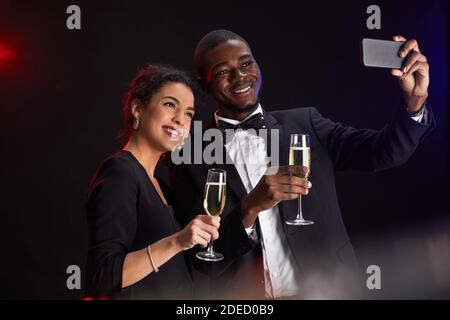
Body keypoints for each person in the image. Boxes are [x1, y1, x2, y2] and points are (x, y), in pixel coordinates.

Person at [169, 30, 435, 299]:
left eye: (246, 63)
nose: (240, 76)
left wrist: (414, 102)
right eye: (224, 71)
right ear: (204, 85)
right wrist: (249, 208)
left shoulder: (305, 123)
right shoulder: (191, 154)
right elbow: (203, 260)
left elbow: (383, 152)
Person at [85, 64, 220, 299]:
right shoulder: (119, 172)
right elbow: (104, 277)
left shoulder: (162, 186)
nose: (180, 120)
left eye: (189, 113)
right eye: (170, 105)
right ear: (138, 109)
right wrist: (178, 241)